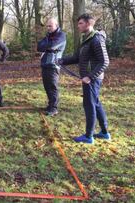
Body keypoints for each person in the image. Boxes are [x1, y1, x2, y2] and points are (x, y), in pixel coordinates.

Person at [57, 13, 111, 144]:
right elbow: (77, 57)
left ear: (88, 24)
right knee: (96, 103)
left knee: (89, 105)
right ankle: (104, 133)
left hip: (92, 79)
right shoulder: (86, 39)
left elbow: (104, 62)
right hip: (89, 78)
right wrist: (62, 60)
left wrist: (89, 76)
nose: (78, 26)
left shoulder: (96, 39)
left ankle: (88, 136)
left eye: (80, 23)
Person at [37, 18, 66, 116]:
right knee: (47, 86)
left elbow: (53, 46)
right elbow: (39, 47)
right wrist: (47, 45)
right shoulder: (48, 36)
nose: (48, 28)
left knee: (53, 87)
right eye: (47, 26)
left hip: (54, 65)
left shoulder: (61, 35)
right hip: (45, 64)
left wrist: (47, 45)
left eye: (50, 26)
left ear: (56, 25)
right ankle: (50, 105)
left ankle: (54, 108)